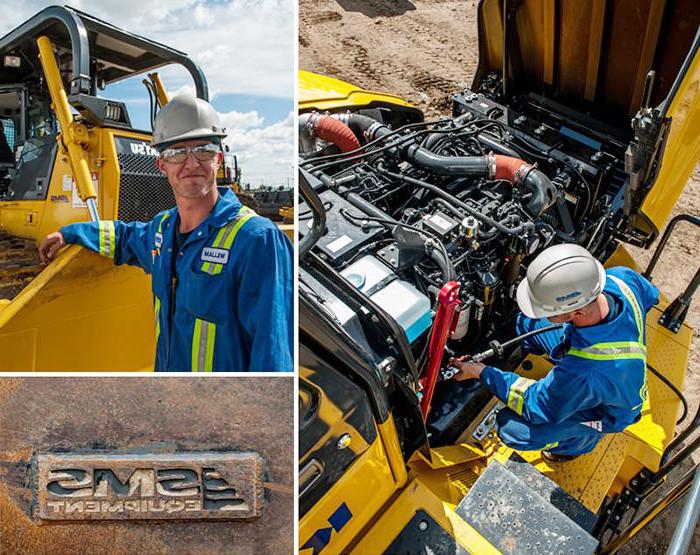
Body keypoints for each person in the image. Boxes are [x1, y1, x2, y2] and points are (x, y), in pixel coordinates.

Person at [38, 94, 293, 372]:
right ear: (162, 165)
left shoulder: (256, 240)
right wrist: (70, 233)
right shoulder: (162, 230)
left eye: (204, 150)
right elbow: (123, 236)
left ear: (218, 159)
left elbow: (273, 355)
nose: (192, 163)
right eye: (177, 153)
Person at [450, 244, 658, 462]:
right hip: (594, 347)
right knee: (527, 323)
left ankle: (575, 444)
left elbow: (537, 405)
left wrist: (481, 372)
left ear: (576, 312)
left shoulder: (586, 371)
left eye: (549, 310)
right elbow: (651, 295)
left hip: (607, 412)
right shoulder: (621, 278)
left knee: (512, 430)